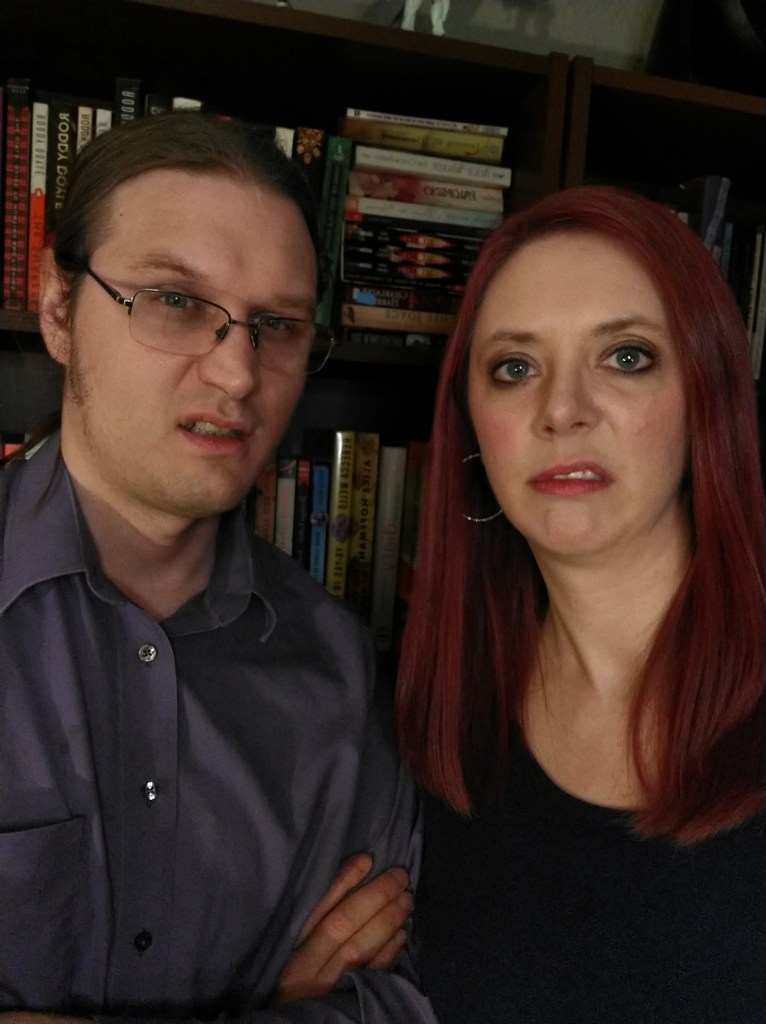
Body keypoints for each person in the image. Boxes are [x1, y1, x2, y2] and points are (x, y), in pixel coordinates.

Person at [0, 111, 436, 1024]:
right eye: (175, 301)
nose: (238, 373)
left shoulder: (339, 672)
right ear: (58, 308)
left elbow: (388, 1004)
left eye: (276, 325)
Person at [395, 184, 766, 1023]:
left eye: (626, 357)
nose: (562, 411)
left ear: (707, 394)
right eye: (515, 368)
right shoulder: (433, 731)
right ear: (472, 427)